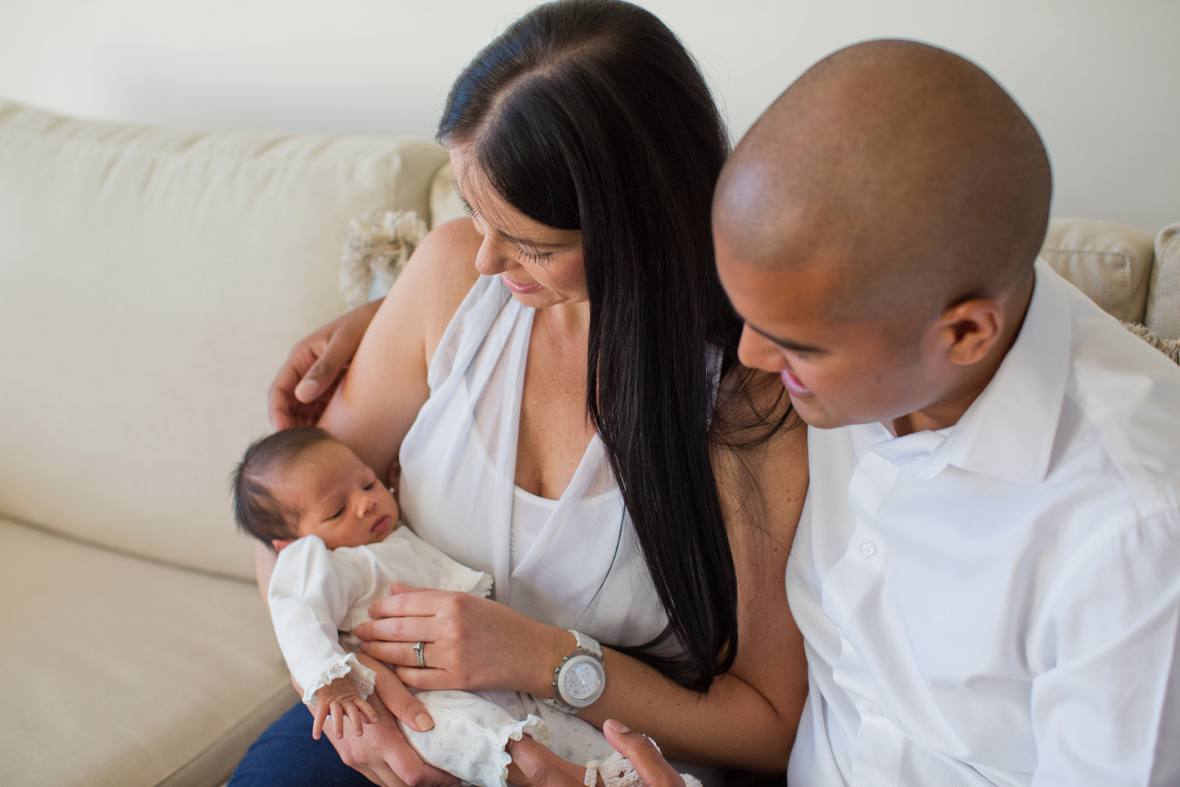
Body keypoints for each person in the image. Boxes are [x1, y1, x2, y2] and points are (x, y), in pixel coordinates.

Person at [517, 38, 1180, 786]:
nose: (753, 360)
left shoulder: (1136, 536)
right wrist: (373, 326)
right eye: (743, 314)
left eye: (797, 344)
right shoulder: (864, 336)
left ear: (964, 333)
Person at [234, 1, 809, 785]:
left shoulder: (747, 393)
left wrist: (549, 658)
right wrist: (352, 704)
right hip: (394, 723)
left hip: (593, 761)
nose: (484, 260)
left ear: (637, 224)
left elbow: (774, 726)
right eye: (475, 212)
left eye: (532, 243)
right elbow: (284, 544)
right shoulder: (448, 275)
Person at [232, 426, 679, 786]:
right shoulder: (319, 560)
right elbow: (295, 612)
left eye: (368, 483)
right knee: (478, 734)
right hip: (413, 693)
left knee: (553, 726)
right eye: (336, 511)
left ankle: (621, 773)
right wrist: (328, 684)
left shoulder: (390, 540)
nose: (367, 502)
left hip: (487, 673)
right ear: (290, 544)